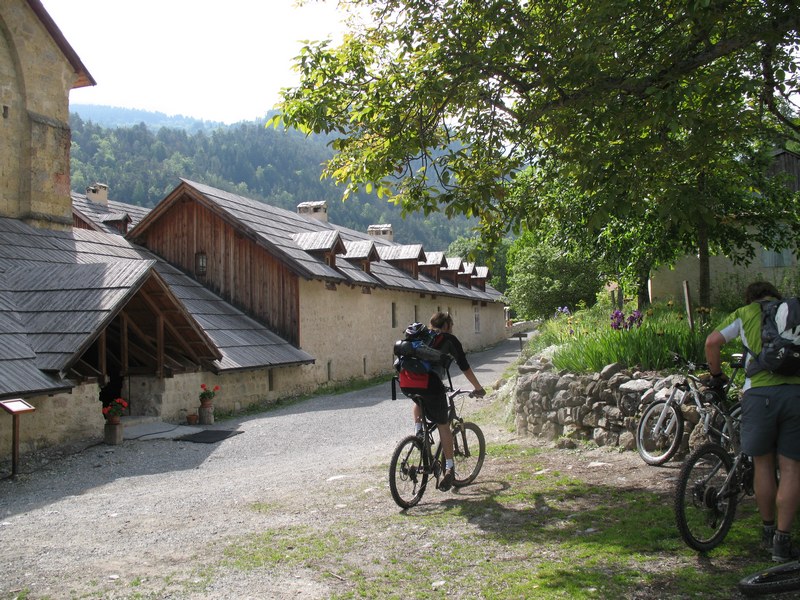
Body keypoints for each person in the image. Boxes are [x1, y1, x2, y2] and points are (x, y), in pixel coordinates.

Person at [705, 281, 800, 562]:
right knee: (792, 469)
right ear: (776, 297)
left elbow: (712, 342)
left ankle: (768, 532)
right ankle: (783, 543)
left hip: (758, 395)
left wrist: (717, 375)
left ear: (751, 297)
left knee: (763, 465)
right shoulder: (793, 313)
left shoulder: (745, 313)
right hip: (795, 394)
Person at [411, 311, 486, 491]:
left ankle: (418, 433)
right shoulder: (448, 339)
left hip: (410, 384)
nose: (451, 329)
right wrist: (478, 387)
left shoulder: (421, 337)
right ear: (446, 325)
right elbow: (464, 366)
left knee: (419, 400)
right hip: (432, 385)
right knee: (443, 425)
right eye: (451, 326)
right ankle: (449, 468)